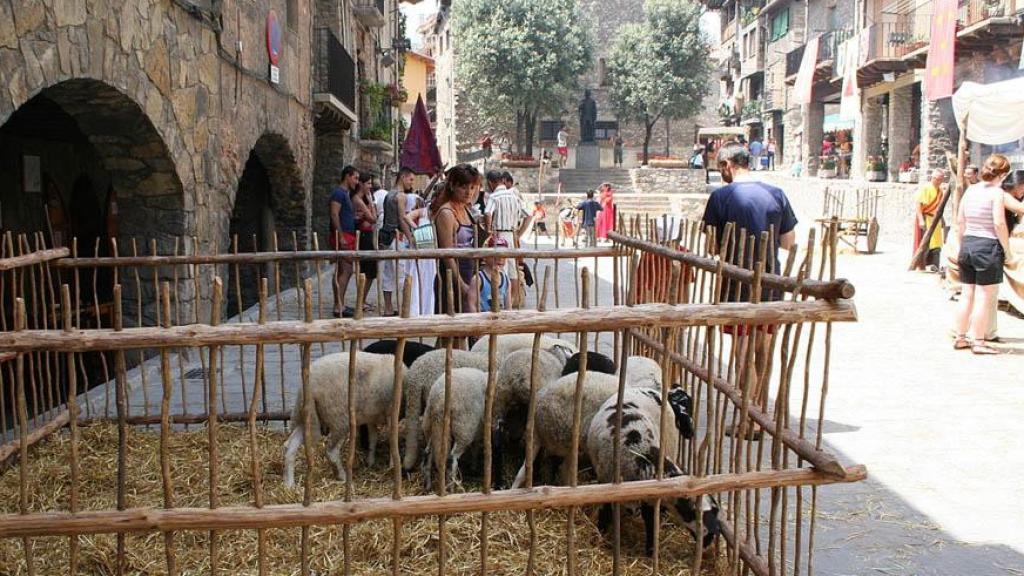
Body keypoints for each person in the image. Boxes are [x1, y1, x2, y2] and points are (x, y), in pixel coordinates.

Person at [701, 143, 797, 428]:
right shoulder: (776, 194)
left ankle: (749, 419)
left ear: (727, 165)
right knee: (763, 350)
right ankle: (759, 413)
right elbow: (788, 243)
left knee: (743, 352)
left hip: (737, 283)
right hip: (770, 282)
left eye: (721, 169)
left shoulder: (721, 197)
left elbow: (712, 246)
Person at [953, 154, 1012, 355]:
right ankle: (978, 340)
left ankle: (960, 336)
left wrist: (962, 245)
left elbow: (960, 221)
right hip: (987, 246)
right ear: (1003, 174)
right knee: (984, 298)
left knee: (967, 294)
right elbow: (999, 223)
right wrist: (1007, 249)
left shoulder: (971, 190)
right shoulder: (997, 193)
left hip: (968, 243)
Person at [433, 164, 482, 316]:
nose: (469, 192)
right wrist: (460, 284)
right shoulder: (447, 213)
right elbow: (447, 254)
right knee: (450, 332)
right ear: (453, 186)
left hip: (469, 272)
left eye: (472, 187)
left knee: (465, 330)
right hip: (451, 276)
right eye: (464, 187)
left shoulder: (467, 209)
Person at [486, 170, 530, 307]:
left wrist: (488, 230)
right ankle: (513, 302)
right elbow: (528, 215)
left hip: (499, 235)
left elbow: (488, 212)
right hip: (512, 235)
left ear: (490, 183)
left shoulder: (494, 196)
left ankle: (502, 303)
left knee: (499, 268)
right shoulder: (514, 196)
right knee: (513, 270)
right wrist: (519, 233)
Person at [379, 167, 419, 316]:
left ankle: (388, 308)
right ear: (403, 177)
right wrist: (410, 236)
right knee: (401, 273)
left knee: (389, 273)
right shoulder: (400, 196)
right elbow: (402, 219)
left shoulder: (389, 194)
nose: (411, 182)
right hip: (397, 238)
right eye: (411, 179)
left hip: (388, 237)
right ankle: (404, 307)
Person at [330, 165, 360, 318]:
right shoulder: (339, 193)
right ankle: (338, 305)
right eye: (355, 178)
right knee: (346, 269)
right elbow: (334, 214)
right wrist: (340, 236)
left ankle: (339, 303)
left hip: (347, 233)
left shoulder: (345, 194)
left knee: (342, 270)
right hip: (343, 235)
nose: (356, 181)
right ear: (347, 176)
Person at [351, 173, 379, 311]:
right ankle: (360, 301)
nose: (370, 186)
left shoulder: (364, 199)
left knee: (371, 271)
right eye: (368, 183)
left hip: (368, 234)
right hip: (363, 236)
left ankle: (362, 299)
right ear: (361, 184)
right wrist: (371, 206)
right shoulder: (358, 199)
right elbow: (373, 218)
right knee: (366, 270)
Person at [915, 169, 946, 272]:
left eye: (940, 179)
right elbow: (919, 204)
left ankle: (934, 265)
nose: (938, 181)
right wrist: (920, 219)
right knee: (925, 243)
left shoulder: (940, 191)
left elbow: (939, 208)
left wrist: (942, 219)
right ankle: (922, 265)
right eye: (937, 179)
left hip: (935, 220)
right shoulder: (926, 188)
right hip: (926, 218)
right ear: (932, 178)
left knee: (936, 244)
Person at [478, 237, 512, 312]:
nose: (500, 259)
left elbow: (508, 306)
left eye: (503, 255)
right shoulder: (479, 279)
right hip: (483, 321)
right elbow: (472, 305)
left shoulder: (506, 280)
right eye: (496, 255)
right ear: (487, 256)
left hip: (500, 320)